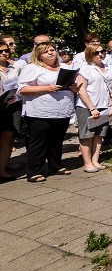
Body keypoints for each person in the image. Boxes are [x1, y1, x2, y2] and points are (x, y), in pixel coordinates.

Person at [17, 42, 79, 182]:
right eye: (46, 52)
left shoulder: (64, 67)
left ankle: (55, 166)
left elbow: (70, 86)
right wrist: (47, 88)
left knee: (57, 141)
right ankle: (34, 171)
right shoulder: (33, 68)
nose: (51, 53)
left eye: (52, 50)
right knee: (39, 142)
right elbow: (22, 89)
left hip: (61, 110)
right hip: (40, 111)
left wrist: (73, 88)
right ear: (39, 55)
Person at [75, 44, 112, 173]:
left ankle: (95, 160)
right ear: (89, 56)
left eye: (102, 51)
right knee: (86, 135)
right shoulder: (85, 69)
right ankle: (87, 163)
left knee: (100, 134)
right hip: (87, 106)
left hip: (104, 105)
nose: (100, 54)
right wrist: (92, 108)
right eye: (96, 53)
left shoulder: (109, 68)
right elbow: (81, 90)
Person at [0, 41, 22, 179]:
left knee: (8, 137)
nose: (4, 53)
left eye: (6, 51)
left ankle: (2, 168)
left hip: (12, 107)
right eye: (0, 51)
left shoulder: (15, 67)